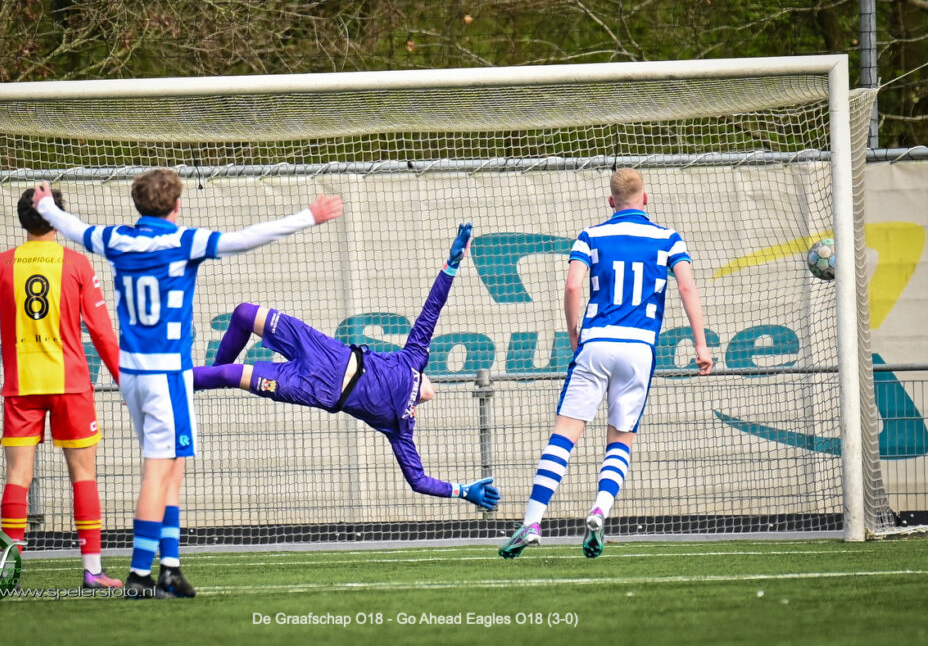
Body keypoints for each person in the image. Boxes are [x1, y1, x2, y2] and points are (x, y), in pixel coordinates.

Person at [33, 170, 343, 598]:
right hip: (164, 375)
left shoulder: (117, 239)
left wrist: (46, 206)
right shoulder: (182, 242)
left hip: (134, 375)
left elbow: (73, 227)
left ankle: (170, 569)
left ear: (138, 205)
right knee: (158, 472)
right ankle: (141, 573)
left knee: (173, 467)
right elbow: (245, 238)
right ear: (176, 207)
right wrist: (308, 216)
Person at [192, 222, 500, 511]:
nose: (436, 389)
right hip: (327, 352)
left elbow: (417, 480)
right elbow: (432, 308)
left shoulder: (401, 427)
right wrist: (453, 263)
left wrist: (463, 491)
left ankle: (172, 381)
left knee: (228, 375)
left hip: (317, 388)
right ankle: (206, 379)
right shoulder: (414, 359)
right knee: (244, 314)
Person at [499, 168, 712, 560]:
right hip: (639, 349)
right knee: (620, 439)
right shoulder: (668, 238)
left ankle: (531, 522)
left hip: (596, 343)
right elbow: (686, 286)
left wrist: (573, 333)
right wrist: (701, 344)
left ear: (611, 202)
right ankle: (599, 510)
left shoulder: (590, 236)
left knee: (564, 436)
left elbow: (572, 285)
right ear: (645, 199)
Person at [0, 187, 123, 589]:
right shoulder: (76, 264)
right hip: (71, 384)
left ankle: (9, 572)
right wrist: (126, 380)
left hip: (21, 385)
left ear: (24, 220)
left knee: (18, 476)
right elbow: (103, 332)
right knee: (83, 476)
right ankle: (92, 571)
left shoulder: (0, 265)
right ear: (56, 218)